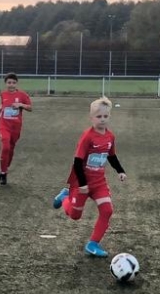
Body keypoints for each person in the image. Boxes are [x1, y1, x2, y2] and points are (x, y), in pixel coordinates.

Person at [52, 96, 128, 258]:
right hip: (81, 182)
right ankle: (65, 196)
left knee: (107, 210)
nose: (102, 119)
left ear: (109, 116)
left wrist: (120, 171)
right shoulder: (87, 137)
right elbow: (77, 161)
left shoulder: (110, 137)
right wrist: (83, 184)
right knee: (75, 215)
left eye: (105, 116)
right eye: (99, 116)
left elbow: (111, 156)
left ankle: (93, 244)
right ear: (91, 118)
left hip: (99, 182)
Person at [0, 72, 32, 185]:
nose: (11, 85)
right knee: (5, 146)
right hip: (3, 125)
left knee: (10, 148)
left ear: (16, 84)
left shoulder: (22, 95)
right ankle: (3, 173)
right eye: (9, 82)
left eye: (13, 83)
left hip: (15, 127)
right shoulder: (3, 94)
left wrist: (21, 105)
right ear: (6, 83)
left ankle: (6, 166)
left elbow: (30, 108)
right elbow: (4, 105)